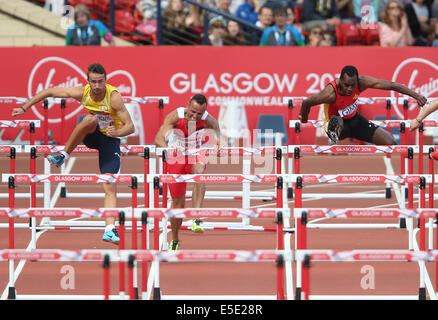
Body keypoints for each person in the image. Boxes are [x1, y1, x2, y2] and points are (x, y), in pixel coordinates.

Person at [11, 63, 135, 244]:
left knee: (110, 183)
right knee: (89, 119)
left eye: (101, 81)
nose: (98, 86)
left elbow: (130, 126)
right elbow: (50, 92)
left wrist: (117, 133)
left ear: (106, 80)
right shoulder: (82, 92)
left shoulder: (114, 97)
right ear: (88, 81)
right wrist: (24, 107)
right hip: (92, 134)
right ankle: (63, 155)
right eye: (94, 81)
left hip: (110, 139)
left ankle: (109, 229)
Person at [154, 94, 223, 252]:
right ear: (187, 106)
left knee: (199, 172)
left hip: (194, 154)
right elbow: (158, 138)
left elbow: (217, 131)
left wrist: (219, 143)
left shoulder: (207, 119)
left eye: (199, 113)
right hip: (175, 158)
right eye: (192, 112)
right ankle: (175, 239)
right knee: (178, 204)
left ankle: (197, 218)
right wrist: (168, 148)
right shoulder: (174, 117)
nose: (195, 116)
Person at [299, 65, 427, 145]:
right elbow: (307, 102)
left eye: (352, 85)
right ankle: (334, 134)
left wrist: (417, 96)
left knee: (391, 141)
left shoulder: (362, 82)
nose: (349, 89)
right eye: (346, 85)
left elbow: (392, 85)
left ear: (357, 81)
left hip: (356, 120)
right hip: (338, 124)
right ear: (340, 80)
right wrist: (303, 118)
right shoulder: (330, 93)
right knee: (337, 120)